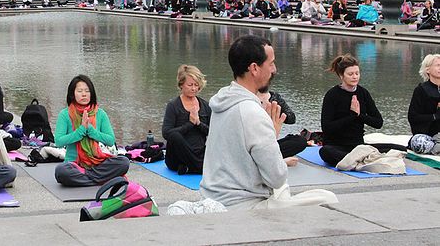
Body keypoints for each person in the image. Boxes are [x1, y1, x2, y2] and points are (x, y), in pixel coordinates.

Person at [200, 35, 337, 210]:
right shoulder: (252, 112)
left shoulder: (222, 101)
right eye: (271, 63)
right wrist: (272, 136)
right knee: (327, 198)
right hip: (243, 205)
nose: (274, 69)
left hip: (213, 196)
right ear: (254, 68)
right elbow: (276, 177)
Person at [319, 54, 404, 166]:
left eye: (357, 73)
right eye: (350, 74)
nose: (355, 77)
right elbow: (327, 128)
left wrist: (359, 115)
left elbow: (378, 123)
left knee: (401, 149)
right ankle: (363, 160)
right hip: (337, 146)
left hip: (358, 146)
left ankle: (358, 160)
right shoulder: (332, 95)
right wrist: (351, 115)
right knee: (325, 152)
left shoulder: (363, 93)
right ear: (341, 75)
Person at [54, 75, 130, 187]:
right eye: (80, 91)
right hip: (74, 164)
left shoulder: (100, 113)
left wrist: (90, 130)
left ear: (92, 93)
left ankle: (87, 178)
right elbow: (59, 141)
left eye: (87, 91)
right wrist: (81, 130)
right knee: (61, 171)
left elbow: (110, 140)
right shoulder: (64, 114)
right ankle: (102, 179)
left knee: (124, 162)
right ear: (72, 94)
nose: (84, 94)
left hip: (97, 162)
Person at [162, 65, 211, 175]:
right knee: (174, 135)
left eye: (196, 85)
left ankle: (192, 167)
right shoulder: (173, 105)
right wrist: (189, 124)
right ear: (181, 85)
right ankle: (199, 168)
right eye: (190, 85)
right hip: (177, 157)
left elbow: (213, 132)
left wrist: (198, 123)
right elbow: (166, 133)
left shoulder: (205, 106)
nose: (193, 88)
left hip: (199, 153)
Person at [408, 54, 440, 154]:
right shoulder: (421, 90)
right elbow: (413, 117)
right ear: (428, 70)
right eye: (438, 65)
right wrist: (435, 116)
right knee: (419, 143)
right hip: (425, 136)